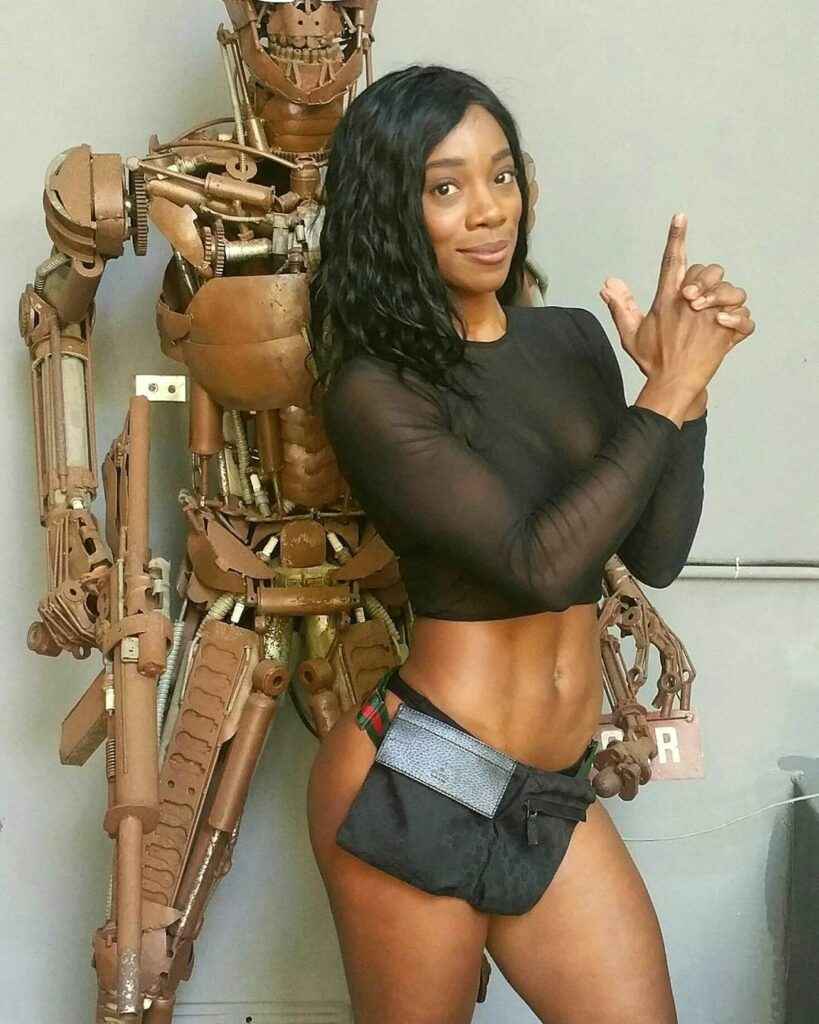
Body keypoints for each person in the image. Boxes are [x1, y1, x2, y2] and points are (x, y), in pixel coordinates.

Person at [305, 64, 754, 1024]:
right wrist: (667, 391)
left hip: (548, 786)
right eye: (445, 187)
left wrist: (684, 393)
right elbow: (539, 564)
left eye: (501, 175)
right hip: (424, 769)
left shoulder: (571, 341)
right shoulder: (374, 388)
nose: (488, 210)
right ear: (390, 212)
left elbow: (656, 551)